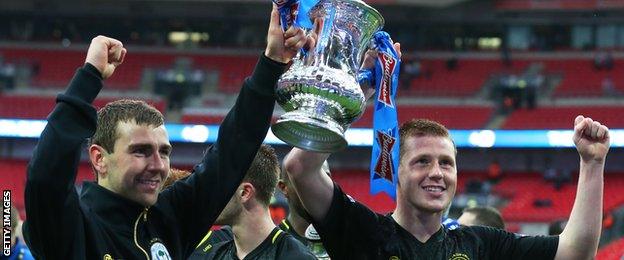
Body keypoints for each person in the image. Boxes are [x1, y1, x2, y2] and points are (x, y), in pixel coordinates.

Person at [22, 4, 316, 258]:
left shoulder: (170, 218)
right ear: (99, 158)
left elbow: (232, 151)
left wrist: (272, 63)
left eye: (164, 152)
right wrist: (88, 77)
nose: (158, 166)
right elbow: (45, 176)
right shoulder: (71, 225)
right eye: (141, 151)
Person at [284, 116, 610, 259]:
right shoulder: (364, 231)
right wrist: (358, 98)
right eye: (422, 161)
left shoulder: (480, 244)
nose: (437, 173)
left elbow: (575, 251)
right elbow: (299, 167)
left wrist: (592, 163)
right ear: (395, 172)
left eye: (446, 163)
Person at [189, 144, 316, 259]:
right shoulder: (210, 255)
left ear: (244, 193)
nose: (207, 195)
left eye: (216, 185)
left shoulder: (296, 257)